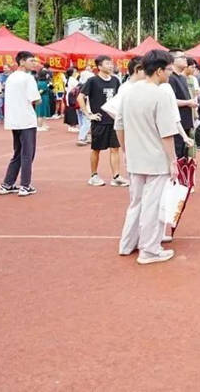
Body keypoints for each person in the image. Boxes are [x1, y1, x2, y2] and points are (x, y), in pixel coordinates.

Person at [116, 49, 179, 265]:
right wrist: (173, 160)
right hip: (155, 159)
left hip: (135, 157)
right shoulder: (160, 95)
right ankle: (149, 250)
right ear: (159, 71)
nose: (170, 73)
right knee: (152, 205)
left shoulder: (129, 91)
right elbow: (166, 133)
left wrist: (126, 150)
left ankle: (127, 243)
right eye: (168, 69)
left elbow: (119, 125)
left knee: (136, 202)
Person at [77, 55, 129, 187]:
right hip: (99, 120)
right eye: (107, 63)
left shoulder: (115, 80)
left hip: (113, 120)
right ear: (99, 66)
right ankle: (93, 175)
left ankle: (116, 176)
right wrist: (88, 114)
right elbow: (80, 97)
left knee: (115, 148)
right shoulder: (92, 81)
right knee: (96, 149)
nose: (111, 66)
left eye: (111, 63)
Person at [0, 51, 41, 197]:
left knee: (18, 152)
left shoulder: (10, 77)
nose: (34, 63)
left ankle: (7, 183)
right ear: (22, 62)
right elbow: (35, 99)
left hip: (14, 120)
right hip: (26, 120)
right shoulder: (28, 78)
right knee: (27, 154)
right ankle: (25, 185)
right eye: (31, 61)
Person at [167, 55, 197, 160]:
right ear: (173, 60)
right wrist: (188, 102)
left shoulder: (183, 78)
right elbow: (170, 101)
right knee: (177, 153)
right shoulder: (171, 78)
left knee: (185, 154)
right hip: (177, 122)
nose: (185, 59)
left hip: (186, 121)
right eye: (182, 57)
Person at [63, 67, 79, 131]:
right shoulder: (72, 79)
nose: (76, 73)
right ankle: (73, 126)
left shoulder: (69, 79)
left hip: (69, 97)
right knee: (73, 111)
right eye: (75, 72)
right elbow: (78, 86)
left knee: (70, 110)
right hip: (72, 97)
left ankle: (71, 126)